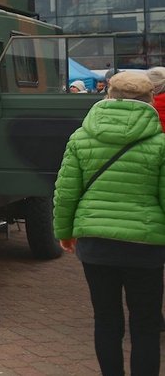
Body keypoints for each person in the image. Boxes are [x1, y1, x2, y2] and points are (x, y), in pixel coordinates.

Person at [53, 71, 165, 375]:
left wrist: (64, 233)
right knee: (145, 325)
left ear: (108, 95)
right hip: (147, 247)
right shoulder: (160, 144)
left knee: (106, 320)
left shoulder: (80, 139)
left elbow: (66, 194)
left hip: (96, 244)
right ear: (149, 100)